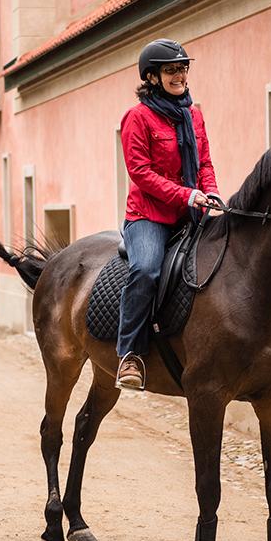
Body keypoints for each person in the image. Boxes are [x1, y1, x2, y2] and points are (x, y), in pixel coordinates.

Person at [116, 38, 220, 390]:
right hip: (149, 216)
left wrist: (211, 193)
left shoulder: (193, 115)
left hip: (192, 209)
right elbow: (140, 174)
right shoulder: (138, 117)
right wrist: (188, 195)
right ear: (152, 76)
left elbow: (203, 162)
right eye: (171, 70)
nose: (180, 75)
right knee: (146, 270)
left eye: (183, 68)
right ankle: (129, 354)